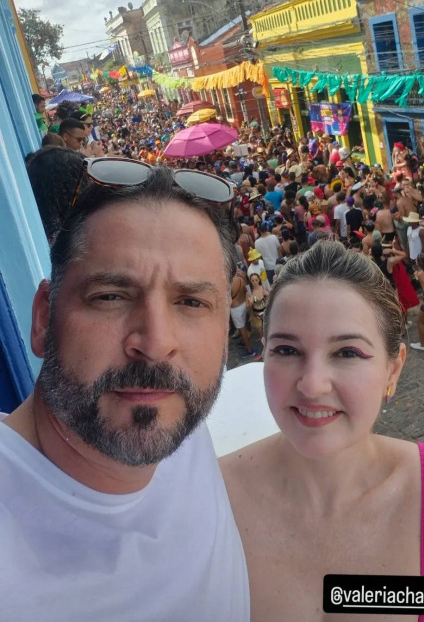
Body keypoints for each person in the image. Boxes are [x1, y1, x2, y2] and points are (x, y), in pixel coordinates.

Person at [0, 163, 249, 621]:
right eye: (111, 296)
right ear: (42, 319)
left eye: (191, 302)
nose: (155, 344)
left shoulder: (179, 425)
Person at [220, 241, 424, 622]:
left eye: (347, 352)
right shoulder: (209, 499)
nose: (312, 385)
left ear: (393, 368)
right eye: (286, 350)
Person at [231, 267, 260, 361]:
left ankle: (250, 350)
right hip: (243, 304)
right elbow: (245, 291)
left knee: (241, 329)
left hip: (235, 309)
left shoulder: (229, 285)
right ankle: (247, 337)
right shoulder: (240, 279)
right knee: (245, 322)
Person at [246, 273, 269, 342]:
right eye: (253, 280)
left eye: (256, 280)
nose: (255, 282)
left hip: (265, 312)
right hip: (256, 314)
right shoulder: (250, 292)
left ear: (259, 279)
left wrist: (267, 294)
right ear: (250, 281)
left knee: (268, 329)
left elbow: (270, 297)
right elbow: (247, 306)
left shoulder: (263, 288)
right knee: (260, 333)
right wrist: (249, 302)